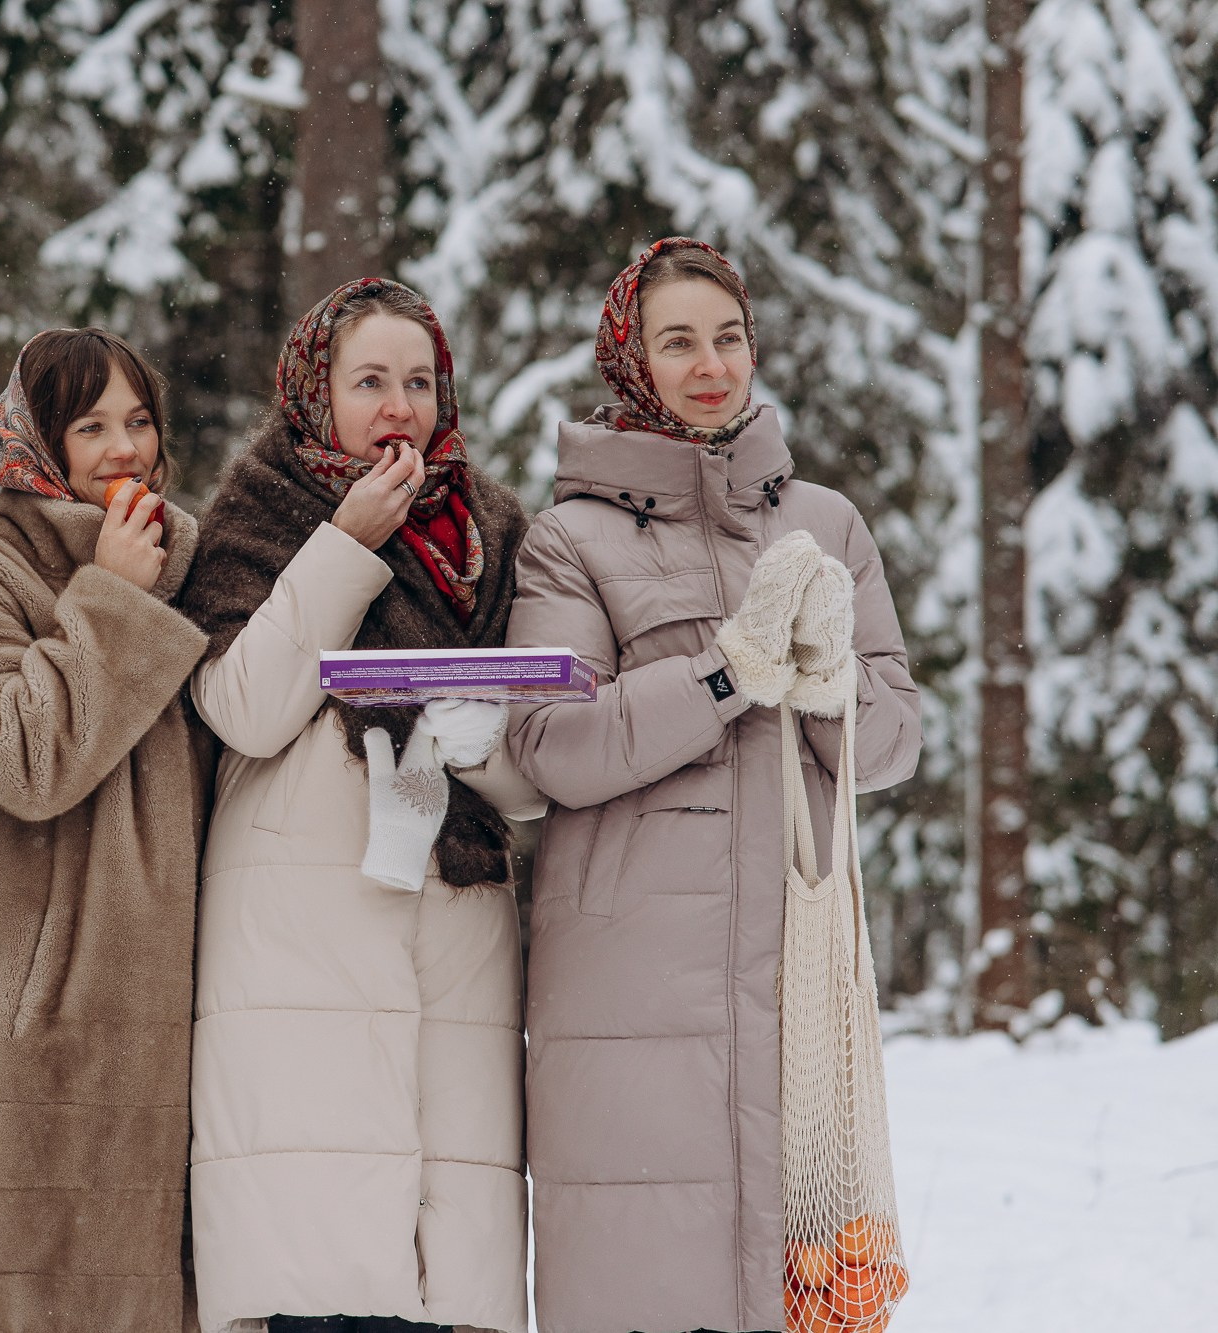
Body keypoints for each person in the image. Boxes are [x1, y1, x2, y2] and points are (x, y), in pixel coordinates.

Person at [504, 237, 923, 1333]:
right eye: (678, 342)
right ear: (629, 360)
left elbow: (892, 748)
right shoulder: (568, 541)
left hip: (795, 975)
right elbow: (552, 743)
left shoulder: (826, 525)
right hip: (629, 982)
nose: (710, 366)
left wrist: (829, 682)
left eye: (728, 338)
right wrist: (724, 672)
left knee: (800, 1293)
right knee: (644, 1289)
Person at [180, 277, 542, 1333]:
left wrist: (481, 742)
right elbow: (244, 709)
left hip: (456, 937)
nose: (398, 408)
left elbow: (534, 779)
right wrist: (344, 542)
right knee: (319, 1279)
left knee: (441, 1280)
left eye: (418, 383)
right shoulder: (257, 512)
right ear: (315, 391)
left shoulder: (489, 533)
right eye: (370, 381)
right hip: (301, 938)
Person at [0, 328, 210, 1333]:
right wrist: (112, 598)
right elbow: (18, 760)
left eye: (138, 421)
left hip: (182, 1013)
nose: (123, 448)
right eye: (89, 426)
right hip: (35, 1018)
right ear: (37, 441)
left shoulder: (199, 562)